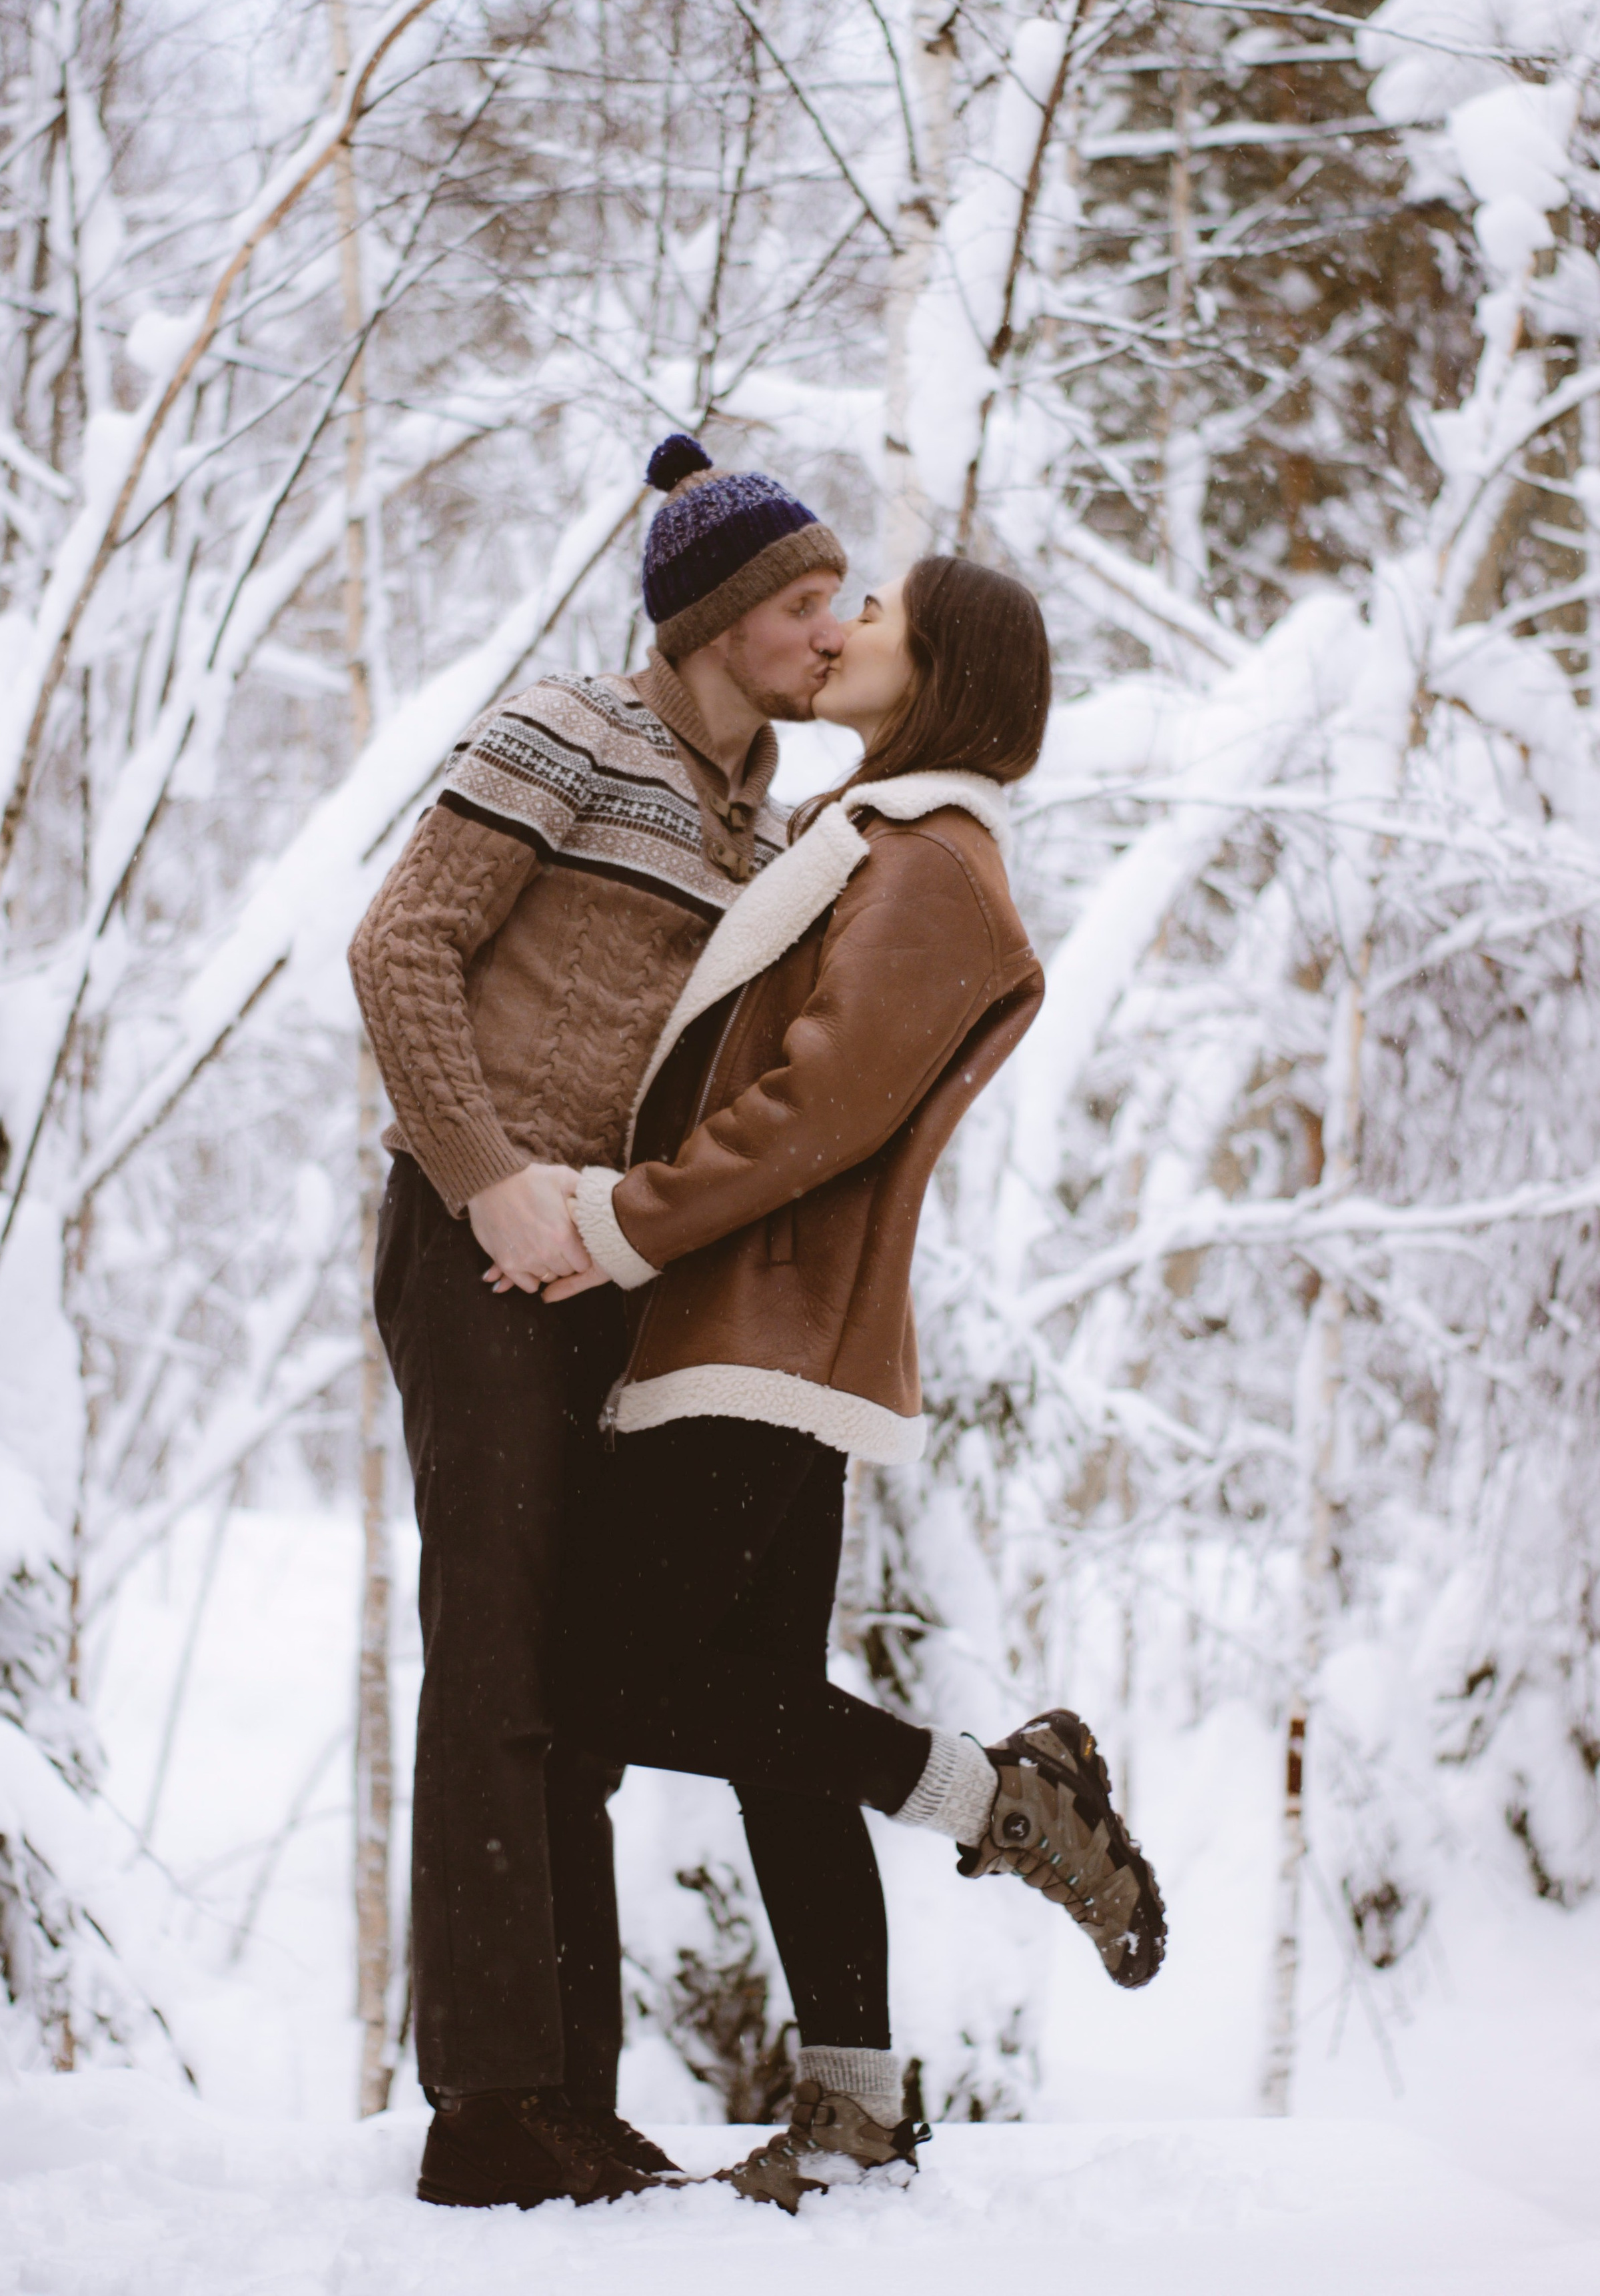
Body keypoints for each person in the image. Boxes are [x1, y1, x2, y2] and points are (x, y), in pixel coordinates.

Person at [544, 554, 1168, 2212]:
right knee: (767, 1722)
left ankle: (1004, 1798)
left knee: (609, 1688)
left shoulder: (938, 871)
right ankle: (854, 2108)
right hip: (751, 1328)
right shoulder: (882, 842)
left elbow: (813, 1111)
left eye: (873, 615)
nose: (840, 631)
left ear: (943, 668)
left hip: (760, 1332)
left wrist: (616, 1226)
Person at [348, 430, 851, 2211]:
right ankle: (489, 2110)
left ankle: (575, 2093)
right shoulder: (569, 728)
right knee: (494, 1653)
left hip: (604, 1280)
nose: (830, 629)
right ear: (720, 615)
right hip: (473, 1237)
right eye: (805, 600)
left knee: (581, 1679)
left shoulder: (764, 827)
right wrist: (484, 1175)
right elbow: (399, 946)